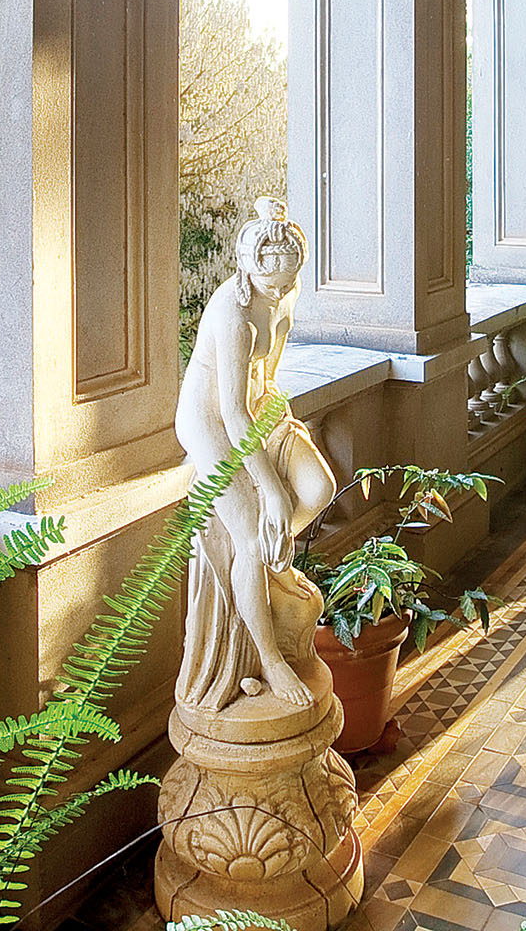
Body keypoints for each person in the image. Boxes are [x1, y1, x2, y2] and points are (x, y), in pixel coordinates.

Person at [174, 198, 337, 711]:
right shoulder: (233, 314)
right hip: (212, 423)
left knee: (319, 489)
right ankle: (268, 656)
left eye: (290, 282)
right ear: (247, 266)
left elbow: (263, 384)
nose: (283, 291)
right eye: (273, 284)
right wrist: (269, 492)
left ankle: (269, 563)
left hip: (259, 408)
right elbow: (231, 411)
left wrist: (279, 420)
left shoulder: (282, 295)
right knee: (248, 536)